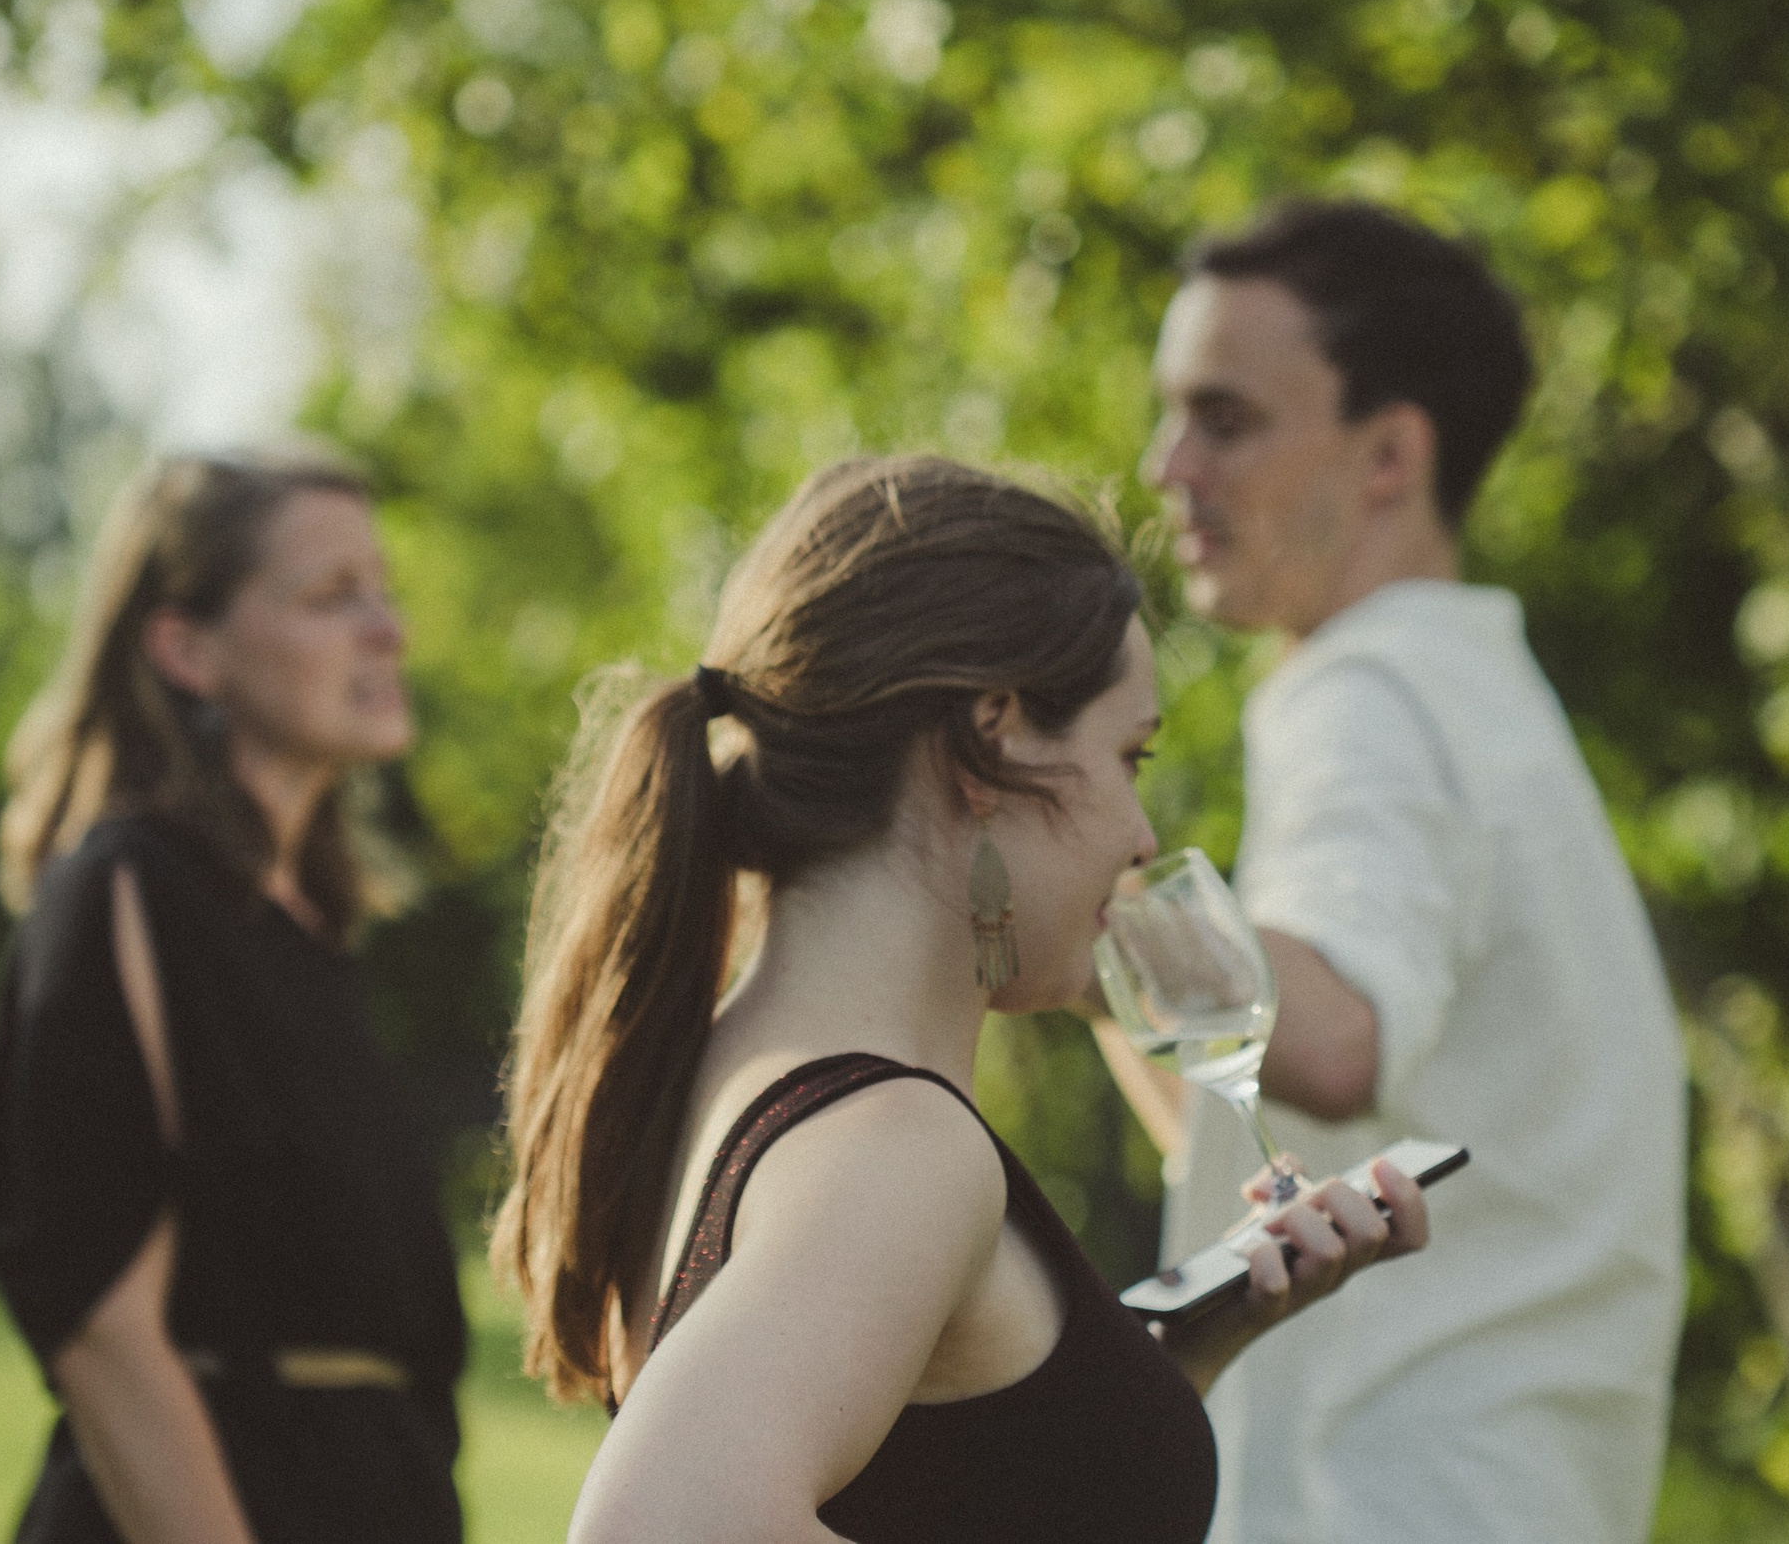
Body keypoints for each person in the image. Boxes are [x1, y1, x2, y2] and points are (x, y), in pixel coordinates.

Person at [490, 454, 1432, 1544]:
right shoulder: (898, 1146)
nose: (1139, 836)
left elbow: (936, 1488)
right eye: (1128, 756)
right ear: (990, 741)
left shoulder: (725, 1068)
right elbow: (661, 1526)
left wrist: (1160, 1364)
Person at [1123, 199, 1688, 1543]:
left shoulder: (1375, 688)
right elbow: (1272, 1109)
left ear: (1389, 452)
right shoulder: (1469, 688)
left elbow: (1332, 1036)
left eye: (1226, 419)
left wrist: (1066, 895)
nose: (1164, 464)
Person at [0, 450, 467, 1544]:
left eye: (381, 591)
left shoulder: (315, 934)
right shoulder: (122, 890)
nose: (385, 628)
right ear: (185, 647)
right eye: (329, 596)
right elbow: (103, 1328)